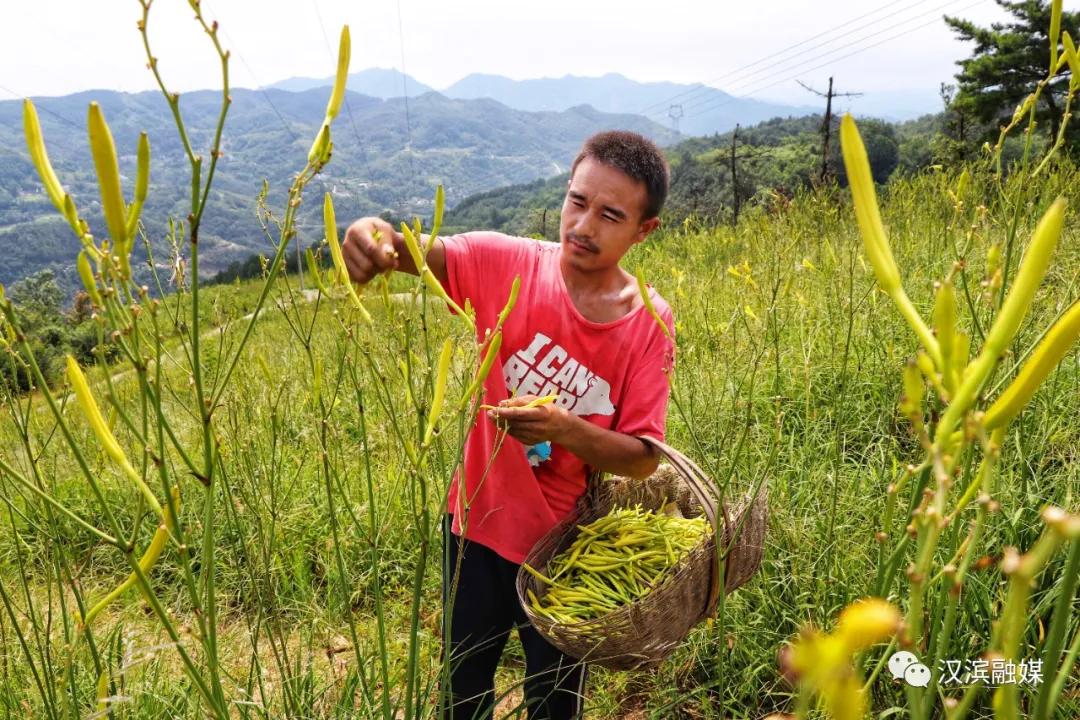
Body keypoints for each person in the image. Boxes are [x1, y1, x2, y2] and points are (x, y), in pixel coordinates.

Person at [341, 130, 676, 719]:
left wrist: (564, 429)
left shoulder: (648, 321)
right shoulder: (506, 262)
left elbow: (643, 456)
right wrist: (369, 233)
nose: (583, 225)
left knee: (554, 703)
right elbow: (407, 250)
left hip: (565, 554)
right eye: (576, 201)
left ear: (642, 230)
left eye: (610, 215)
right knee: (461, 689)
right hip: (472, 528)